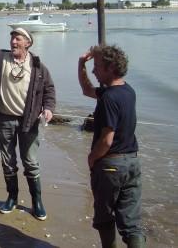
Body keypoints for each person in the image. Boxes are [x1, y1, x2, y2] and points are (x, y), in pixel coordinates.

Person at [0, 24, 55, 220]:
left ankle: (37, 202)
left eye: (18, 38)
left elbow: (49, 90)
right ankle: (12, 197)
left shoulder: (38, 66)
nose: (13, 41)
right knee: (8, 162)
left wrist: (48, 108)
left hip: (29, 122)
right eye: (12, 38)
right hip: (5, 119)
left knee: (30, 162)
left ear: (28, 43)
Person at [78, 45, 145, 247]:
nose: (94, 70)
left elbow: (107, 139)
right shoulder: (128, 91)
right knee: (131, 223)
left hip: (110, 165)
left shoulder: (109, 97)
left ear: (110, 68)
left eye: (97, 66)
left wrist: (92, 158)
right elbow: (87, 90)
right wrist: (81, 64)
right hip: (132, 163)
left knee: (105, 219)